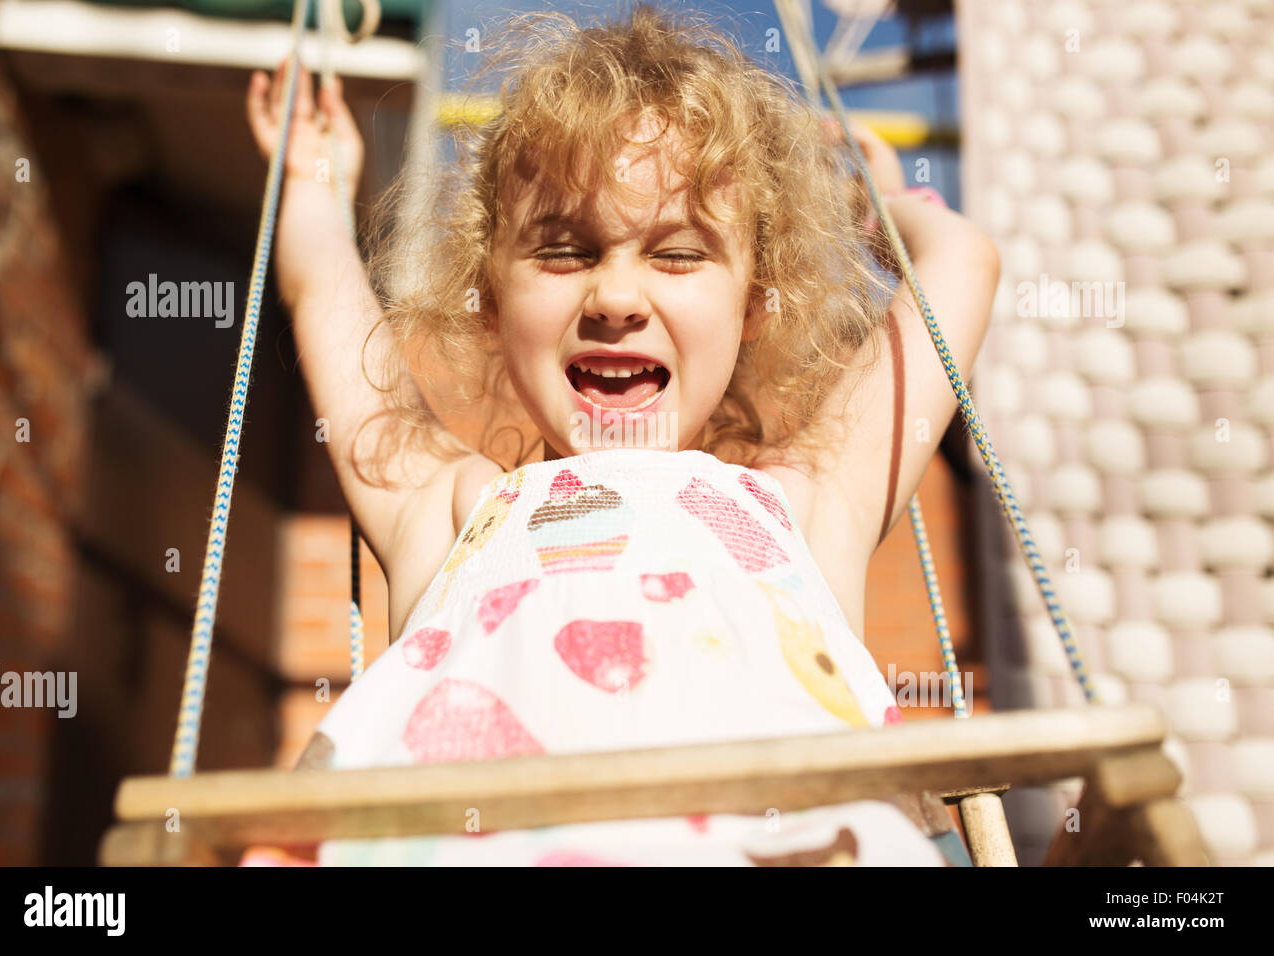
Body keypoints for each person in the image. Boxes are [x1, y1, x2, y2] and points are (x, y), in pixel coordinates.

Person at [241, 3, 1000, 866]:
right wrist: (311, 185)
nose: (614, 296)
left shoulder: (804, 509)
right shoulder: (455, 512)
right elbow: (327, 299)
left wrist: (884, 209)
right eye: (563, 252)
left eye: (677, 255)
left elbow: (961, 265)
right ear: (490, 302)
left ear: (755, 304)